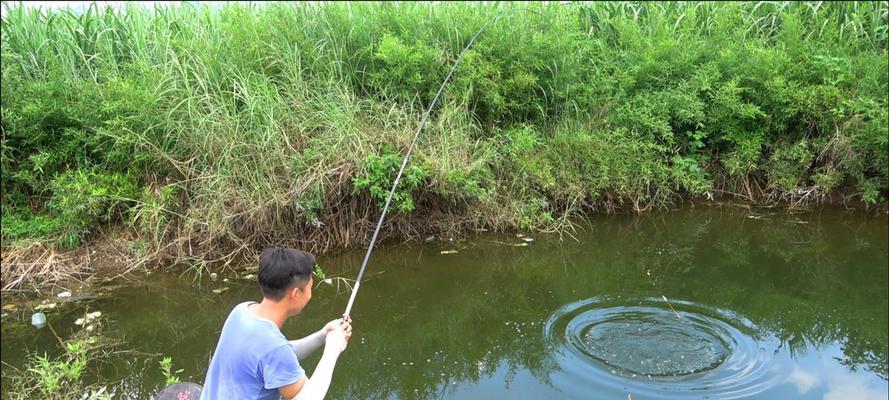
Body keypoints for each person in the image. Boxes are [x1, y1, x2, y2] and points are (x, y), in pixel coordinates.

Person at [200, 248, 352, 400]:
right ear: (296, 294)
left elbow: (273, 355)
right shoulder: (273, 348)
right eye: (310, 288)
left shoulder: (241, 312)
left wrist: (323, 335)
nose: (311, 294)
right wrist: (333, 349)